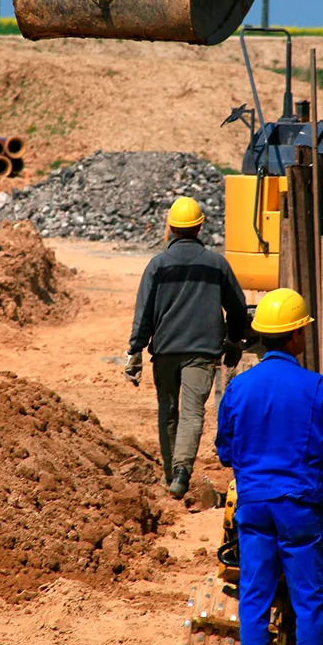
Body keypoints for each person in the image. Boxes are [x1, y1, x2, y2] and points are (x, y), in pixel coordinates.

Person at [215, 287, 323, 645]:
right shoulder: (319, 388)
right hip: (299, 507)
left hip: (253, 506)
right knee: (308, 600)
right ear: (295, 336)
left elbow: (225, 452)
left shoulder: (238, 388)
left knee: (254, 599)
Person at [124, 196, 248, 499]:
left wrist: (135, 351)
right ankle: (182, 471)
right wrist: (233, 339)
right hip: (202, 353)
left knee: (168, 411)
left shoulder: (157, 265)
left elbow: (144, 313)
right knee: (193, 414)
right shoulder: (217, 263)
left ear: (171, 228)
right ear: (200, 226)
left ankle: (171, 476)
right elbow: (238, 307)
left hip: (165, 351)